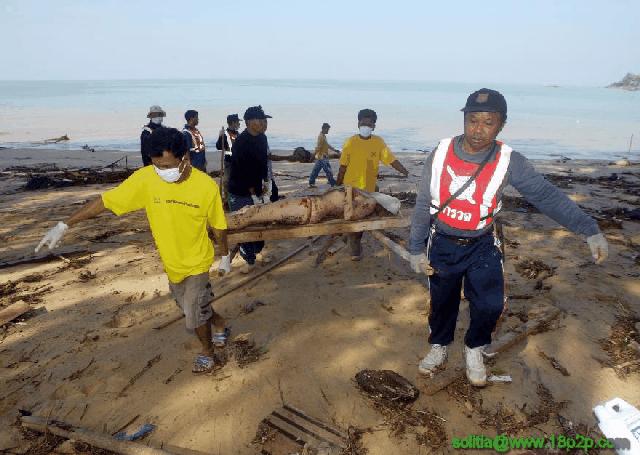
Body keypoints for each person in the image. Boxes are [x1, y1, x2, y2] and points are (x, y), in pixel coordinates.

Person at [408, 88, 609, 387]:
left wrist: (588, 228)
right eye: (473, 120)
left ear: (501, 125)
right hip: (443, 243)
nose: (478, 129)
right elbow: (423, 203)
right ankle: (439, 346)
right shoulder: (440, 152)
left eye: (488, 122)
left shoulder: (508, 160)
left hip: (483, 244)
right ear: (464, 119)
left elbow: (545, 195)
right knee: (442, 302)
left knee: (490, 305)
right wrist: (415, 249)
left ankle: (474, 348)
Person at [35, 128, 231, 374]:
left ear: (185, 158)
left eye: (167, 166)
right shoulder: (146, 179)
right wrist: (65, 225)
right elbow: (105, 202)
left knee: (193, 316)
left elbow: (219, 226)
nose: (162, 172)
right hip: (172, 263)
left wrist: (224, 256)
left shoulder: (205, 186)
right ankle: (221, 323)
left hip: (198, 261)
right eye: (157, 166)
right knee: (194, 308)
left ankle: (208, 353)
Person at [336, 108, 409, 260]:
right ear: (358, 124)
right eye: (363, 123)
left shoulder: (378, 142)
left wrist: (404, 170)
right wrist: (337, 185)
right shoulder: (350, 142)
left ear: (374, 126)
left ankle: (350, 238)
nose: (366, 127)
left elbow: (391, 159)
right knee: (357, 219)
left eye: (369, 124)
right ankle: (354, 249)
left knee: (360, 218)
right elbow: (343, 166)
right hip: (351, 189)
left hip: (369, 190)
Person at [227, 105, 272, 273]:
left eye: (264, 120)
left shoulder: (262, 138)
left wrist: (266, 185)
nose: (263, 123)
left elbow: (262, 163)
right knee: (244, 227)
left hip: (258, 187)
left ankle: (256, 251)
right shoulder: (241, 143)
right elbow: (242, 171)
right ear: (249, 122)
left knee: (260, 226)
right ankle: (249, 261)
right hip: (240, 191)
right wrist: (253, 194)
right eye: (260, 120)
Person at [216, 114, 242, 201]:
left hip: (238, 161)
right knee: (227, 181)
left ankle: (237, 198)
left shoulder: (238, 134)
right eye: (238, 122)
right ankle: (227, 201)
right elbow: (219, 146)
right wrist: (220, 137)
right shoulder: (225, 134)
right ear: (233, 123)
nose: (239, 124)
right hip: (229, 161)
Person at [308, 123, 338, 188]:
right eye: (328, 129)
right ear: (324, 129)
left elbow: (327, 145)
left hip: (322, 157)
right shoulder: (321, 137)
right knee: (328, 170)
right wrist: (313, 155)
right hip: (322, 157)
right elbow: (318, 147)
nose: (328, 131)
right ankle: (332, 183)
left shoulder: (324, 136)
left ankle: (311, 182)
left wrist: (335, 150)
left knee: (316, 170)